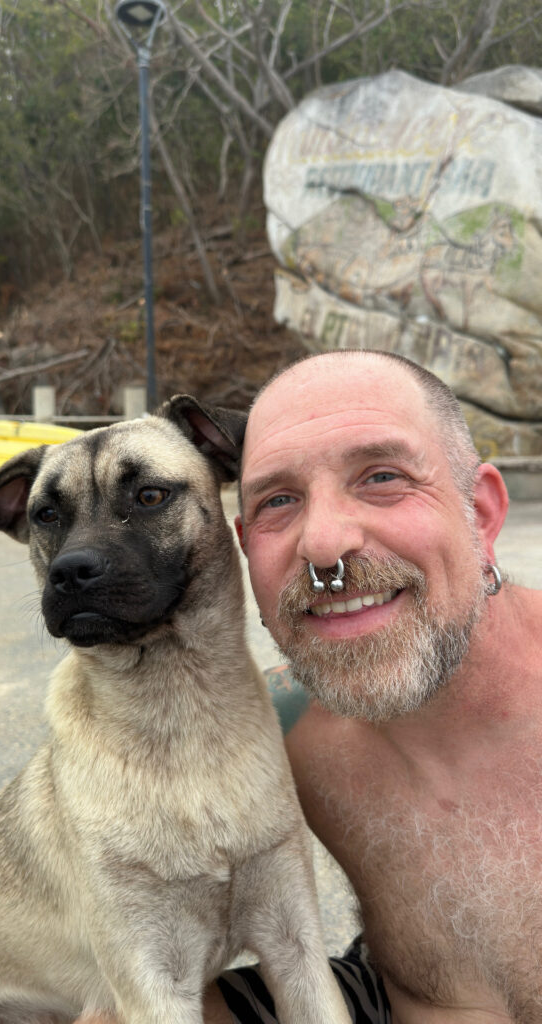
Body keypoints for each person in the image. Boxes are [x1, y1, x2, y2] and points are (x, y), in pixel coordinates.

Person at [203, 348, 542, 1024]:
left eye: (382, 477)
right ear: (244, 547)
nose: (323, 544)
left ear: (480, 513)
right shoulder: (267, 730)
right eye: (278, 501)